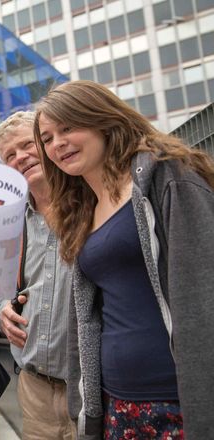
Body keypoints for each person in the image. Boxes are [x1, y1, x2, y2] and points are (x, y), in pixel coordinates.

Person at [34, 80, 214, 439]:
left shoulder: (169, 175)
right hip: (117, 403)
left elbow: (205, 293)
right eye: (47, 138)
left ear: (102, 119)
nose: (57, 144)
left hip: (179, 401)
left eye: (68, 127)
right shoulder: (81, 211)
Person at [0, 111, 76, 440]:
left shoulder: (89, 201)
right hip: (34, 388)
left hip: (91, 386)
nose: (20, 157)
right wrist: (2, 308)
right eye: (10, 156)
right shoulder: (8, 223)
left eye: (28, 145)